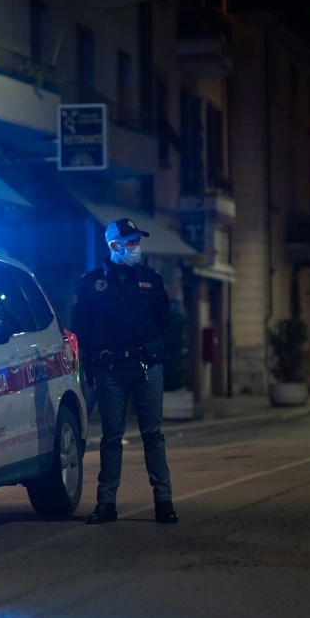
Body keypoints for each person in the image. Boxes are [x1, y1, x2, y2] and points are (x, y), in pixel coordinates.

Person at [72, 218, 179, 525]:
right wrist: (89, 368)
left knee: (153, 436)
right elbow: (82, 330)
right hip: (110, 370)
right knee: (111, 438)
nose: (136, 247)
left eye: (137, 241)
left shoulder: (151, 279)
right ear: (114, 246)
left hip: (146, 367)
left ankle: (164, 502)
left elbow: (165, 322)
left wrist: (158, 352)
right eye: (130, 242)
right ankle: (106, 503)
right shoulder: (91, 283)